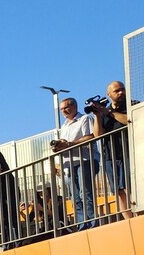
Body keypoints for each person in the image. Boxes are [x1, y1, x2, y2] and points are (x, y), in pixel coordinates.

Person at [50, 98, 98, 230]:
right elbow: (65, 143)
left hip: (85, 161)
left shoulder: (85, 119)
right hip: (69, 165)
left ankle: (93, 223)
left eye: (65, 107)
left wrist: (69, 144)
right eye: (61, 109)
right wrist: (59, 147)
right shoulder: (64, 126)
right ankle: (83, 225)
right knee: (74, 197)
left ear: (74, 106)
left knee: (85, 193)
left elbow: (90, 137)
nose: (63, 111)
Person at [91, 81, 132, 221]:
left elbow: (129, 120)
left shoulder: (132, 105)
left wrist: (109, 112)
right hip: (111, 155)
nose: (121, 92)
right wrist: (97, 115)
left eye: (122, 89)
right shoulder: (104, 112)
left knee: (131, 187)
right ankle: (128, 219)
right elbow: (98, 135)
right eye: (117, 91)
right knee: (118, 190)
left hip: (129, 151)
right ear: (108, 95)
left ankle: (138, 215)